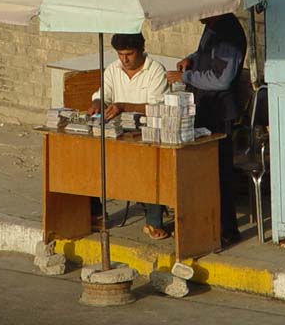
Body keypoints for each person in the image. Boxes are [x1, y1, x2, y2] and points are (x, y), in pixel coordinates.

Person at [167, 13, 247, 247]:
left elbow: (221, 79)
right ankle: (204, 223)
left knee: (218, 172)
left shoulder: (228, 32)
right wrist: (190, 59)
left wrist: (186, 75)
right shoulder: (212, 27)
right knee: (202, 171)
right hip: (204, 107)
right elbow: (205, 55)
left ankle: (226, 229)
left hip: (219, 113)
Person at [87, 33, 169, 239]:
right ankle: (97, 213)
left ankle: (154, 220)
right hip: (118, 133)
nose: (124, 60)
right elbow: (102, 94)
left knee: (149, 165)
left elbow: (156, 106)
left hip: (147, 133)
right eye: (121, 54)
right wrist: (98, 104)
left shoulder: (155, 70)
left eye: (129, 54)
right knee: (88, 159)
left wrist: (124, 106)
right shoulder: (113, 69)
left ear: (140, 50)